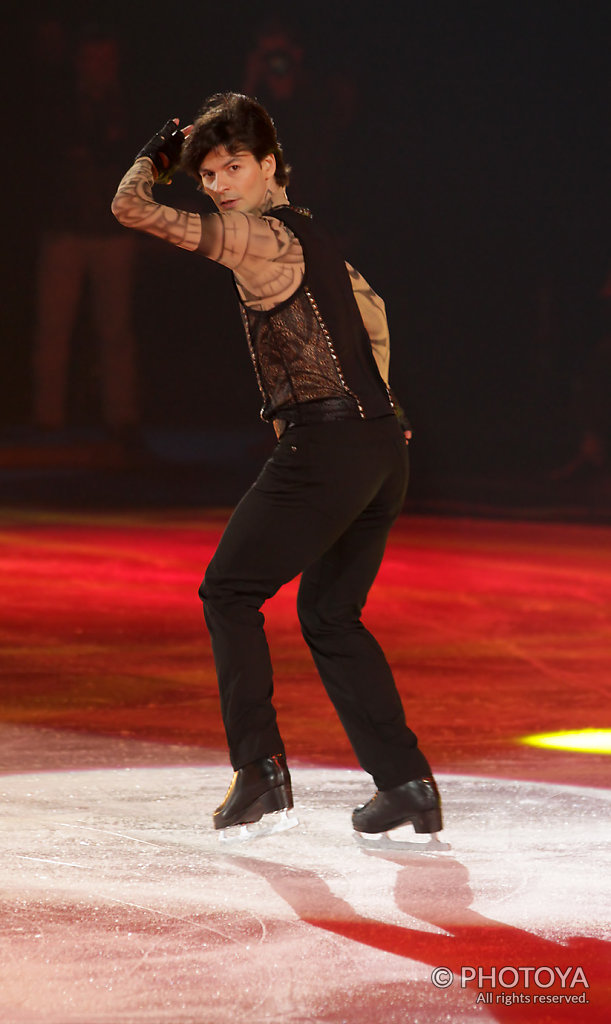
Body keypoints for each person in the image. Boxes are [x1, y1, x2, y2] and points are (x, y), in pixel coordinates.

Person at [111, 93, 441, 839]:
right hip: (381, 449)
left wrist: (156, 153)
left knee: (227, 591)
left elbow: (129, 207)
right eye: (208, 174)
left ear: (268, 165)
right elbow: (374, 312)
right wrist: (390, 409)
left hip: (324, 449)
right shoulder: (318, 238)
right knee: (328, 614)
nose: (221, 184)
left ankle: (259, 769)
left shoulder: (253, 238)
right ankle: (406, 782)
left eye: (234, 167)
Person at [31, 26, 139, 437]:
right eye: (95, 59)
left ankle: (122, 416)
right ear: (80, 61)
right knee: (54, 327)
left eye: (108, 59)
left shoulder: (127, 105)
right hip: (66, 229)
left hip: (113, 232)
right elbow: (50, 156)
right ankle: (47, 418)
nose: (102, 68)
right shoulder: (59, 104)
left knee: (116, 329)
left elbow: (142, 159)